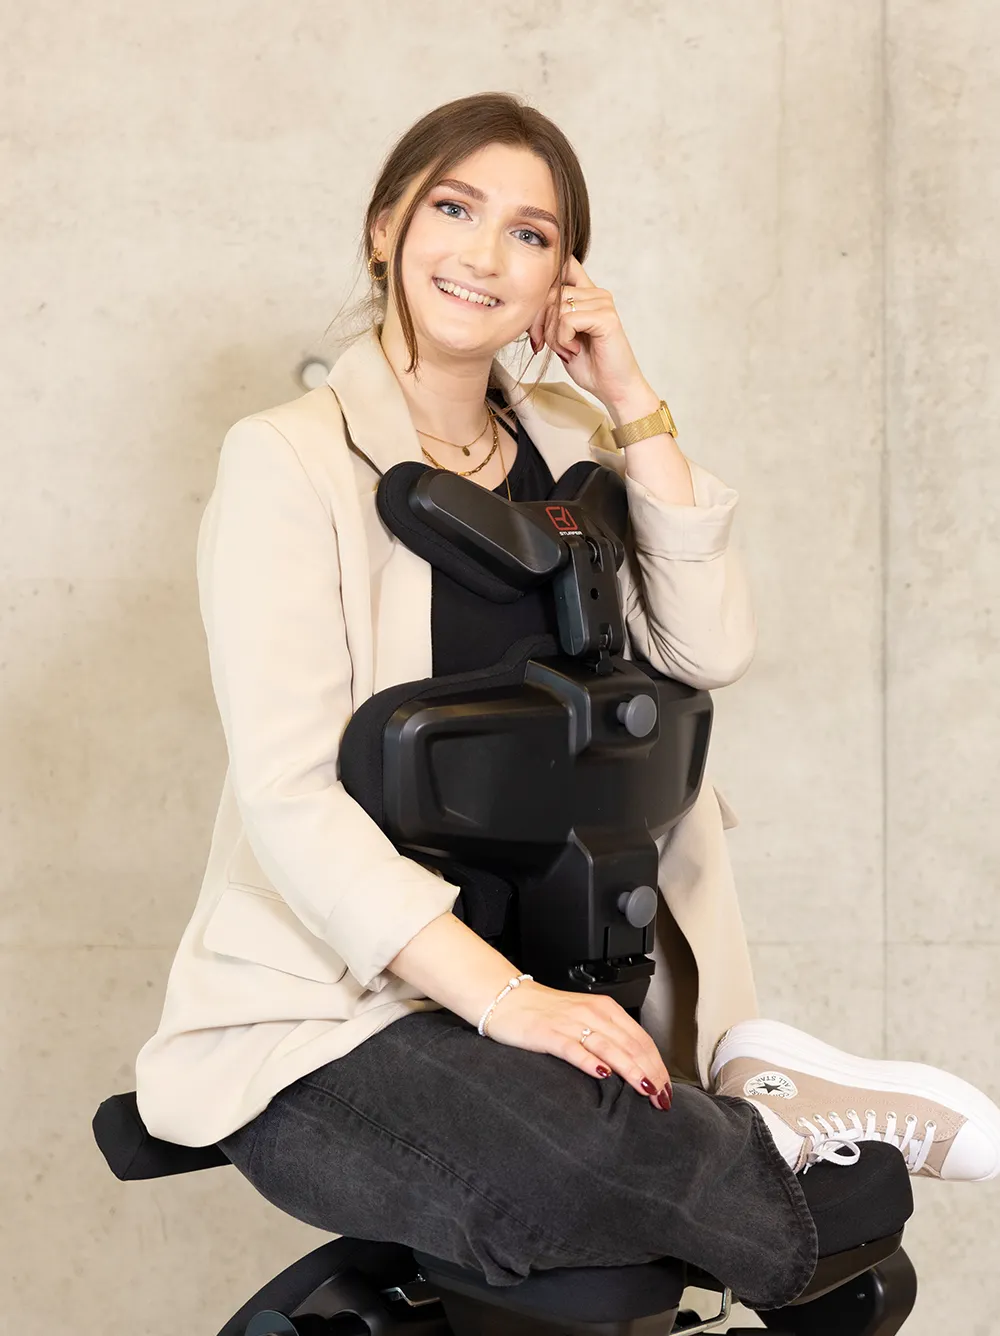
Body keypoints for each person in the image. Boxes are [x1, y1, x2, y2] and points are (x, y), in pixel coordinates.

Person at [133, 92, 1000, 1313]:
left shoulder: (569, 441)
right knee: (587, 1168)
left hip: (572, 982)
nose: (484, 255)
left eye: (530, 234)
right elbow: (292, 796)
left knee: (600, 1170)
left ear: (561, 280)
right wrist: (506, 1001)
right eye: (453, 209)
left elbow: (709, 645)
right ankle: (783, 1145)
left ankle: (754, 1139)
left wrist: (631, 398)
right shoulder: (287, 458)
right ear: (385, 227)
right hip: (335, 1015)